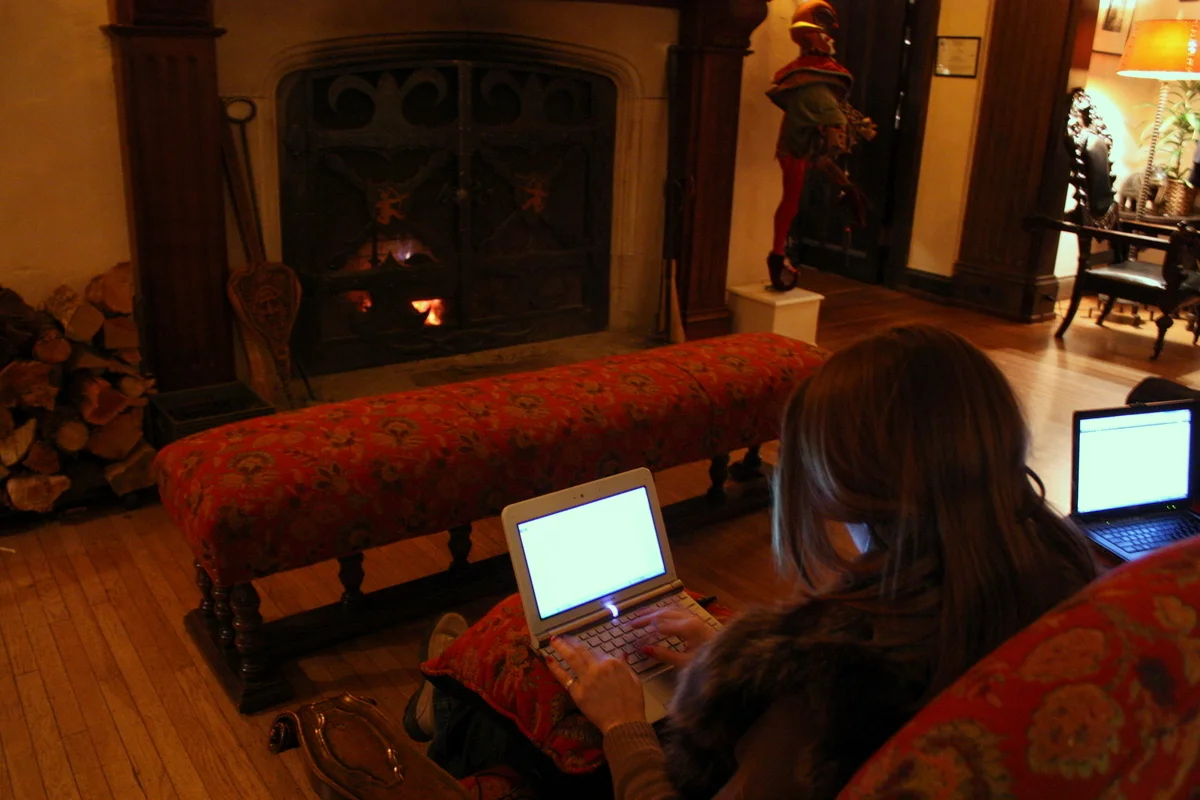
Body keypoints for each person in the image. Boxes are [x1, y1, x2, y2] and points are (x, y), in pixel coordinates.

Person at [408, 325, 1099, 799]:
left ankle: (441, 697)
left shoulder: (828, 684)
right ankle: (450, 685)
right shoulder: (1059, 577)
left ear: (839, 485)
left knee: (538, 682)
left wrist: (623, 728)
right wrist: (727, 662)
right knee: (556, 652)